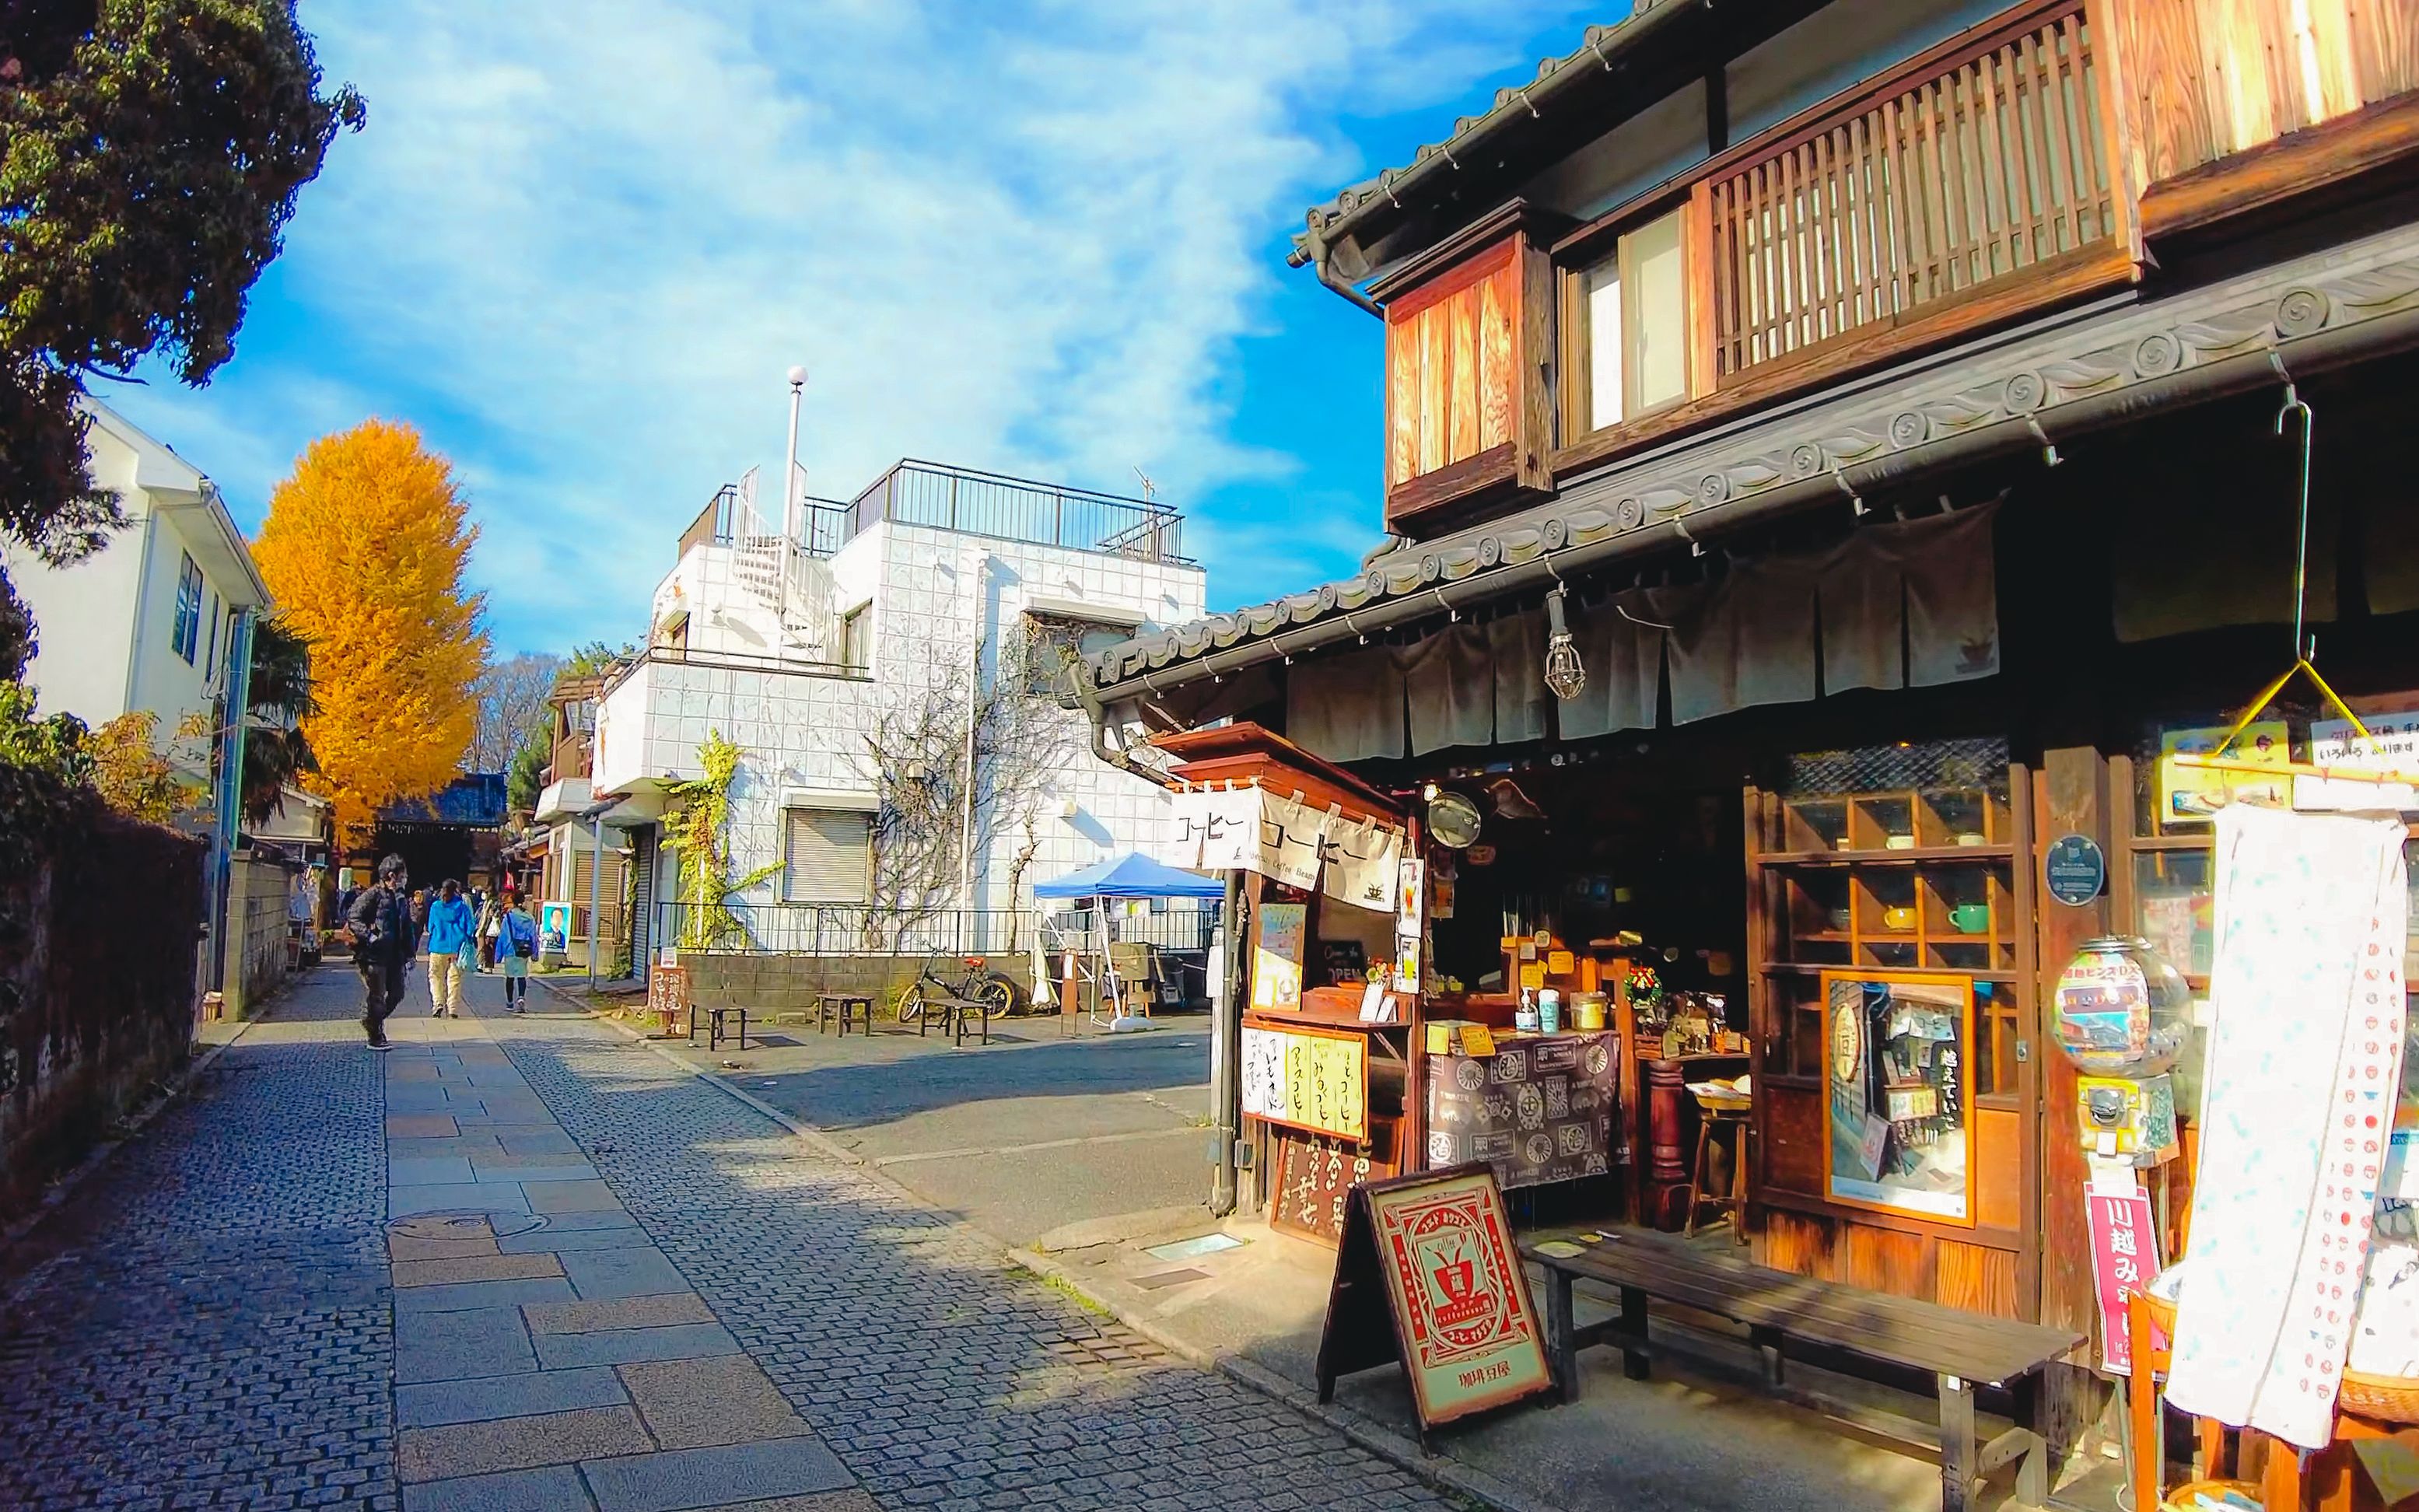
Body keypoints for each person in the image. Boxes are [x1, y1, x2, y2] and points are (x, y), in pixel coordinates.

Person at [345, 856, 417, 1050]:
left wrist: (410, 953)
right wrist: (369, 937)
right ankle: (375, 1035)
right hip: (374, 955)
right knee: (377, 995)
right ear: (392, 875)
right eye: (403, 875)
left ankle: (371, 1020)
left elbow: (407, 926)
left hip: (396, 955)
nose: (405, 878)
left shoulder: (401, 897)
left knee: (397, 993)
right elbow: (353, 916)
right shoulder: (373, 894)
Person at [423, 879, 478, 1019]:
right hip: (457, 948)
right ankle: (452, 1008)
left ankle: (438, 1003)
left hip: (437, 946)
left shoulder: (436, 906)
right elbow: (470, 927)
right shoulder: (462, 907)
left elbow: (430, 927)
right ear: (456, 891)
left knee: (435, 976)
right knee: (454, 979)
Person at [495, 890, 537, 1012]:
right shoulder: (530, 917)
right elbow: (533, 936)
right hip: (524, 949)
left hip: (510, 949)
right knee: (522, 975)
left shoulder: (509, 917)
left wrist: (498, 955)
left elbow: (503, 936)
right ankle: (521, 998)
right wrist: (535, 952)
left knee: (510, 977)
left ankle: (509, 1003)